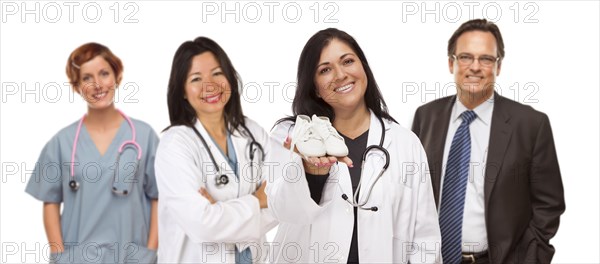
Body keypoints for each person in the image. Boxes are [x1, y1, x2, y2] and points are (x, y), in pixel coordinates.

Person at [267, 28, 441, 263]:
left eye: (347, 61)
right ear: (314, 86)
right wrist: (311, 174)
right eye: (325, 69)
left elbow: (424, 239)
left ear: (363, 68)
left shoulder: (404, 143)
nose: (340, 75)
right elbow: (282, 210)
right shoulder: (290, 136)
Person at [412, 19, 565, 264]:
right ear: (451, 63)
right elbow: (413, 192)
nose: (475, 67)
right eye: (465, 57)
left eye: (486, 59)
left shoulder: (531, 125)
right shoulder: (426, 116)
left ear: (498, 66)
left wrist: (530, 258)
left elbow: (549, 204)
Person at [25, 43, 159, 263]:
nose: (97, 84)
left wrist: (150, 252)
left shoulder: (144, 136)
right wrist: (59, 256)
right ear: (77, 87)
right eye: (87, 78)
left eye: (104, 73)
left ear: (117, 76)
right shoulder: (61, 142)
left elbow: (158, 197)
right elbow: (50, 202)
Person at [154, 37, 277, 263]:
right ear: (182, 90)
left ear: (230, 77)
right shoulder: (175, 146)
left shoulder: (252, 132)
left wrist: (220, 210)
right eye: (196, 78)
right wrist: (257, 201)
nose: (209, 85)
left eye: (217, 73)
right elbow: (203, 225)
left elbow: (281, 202)